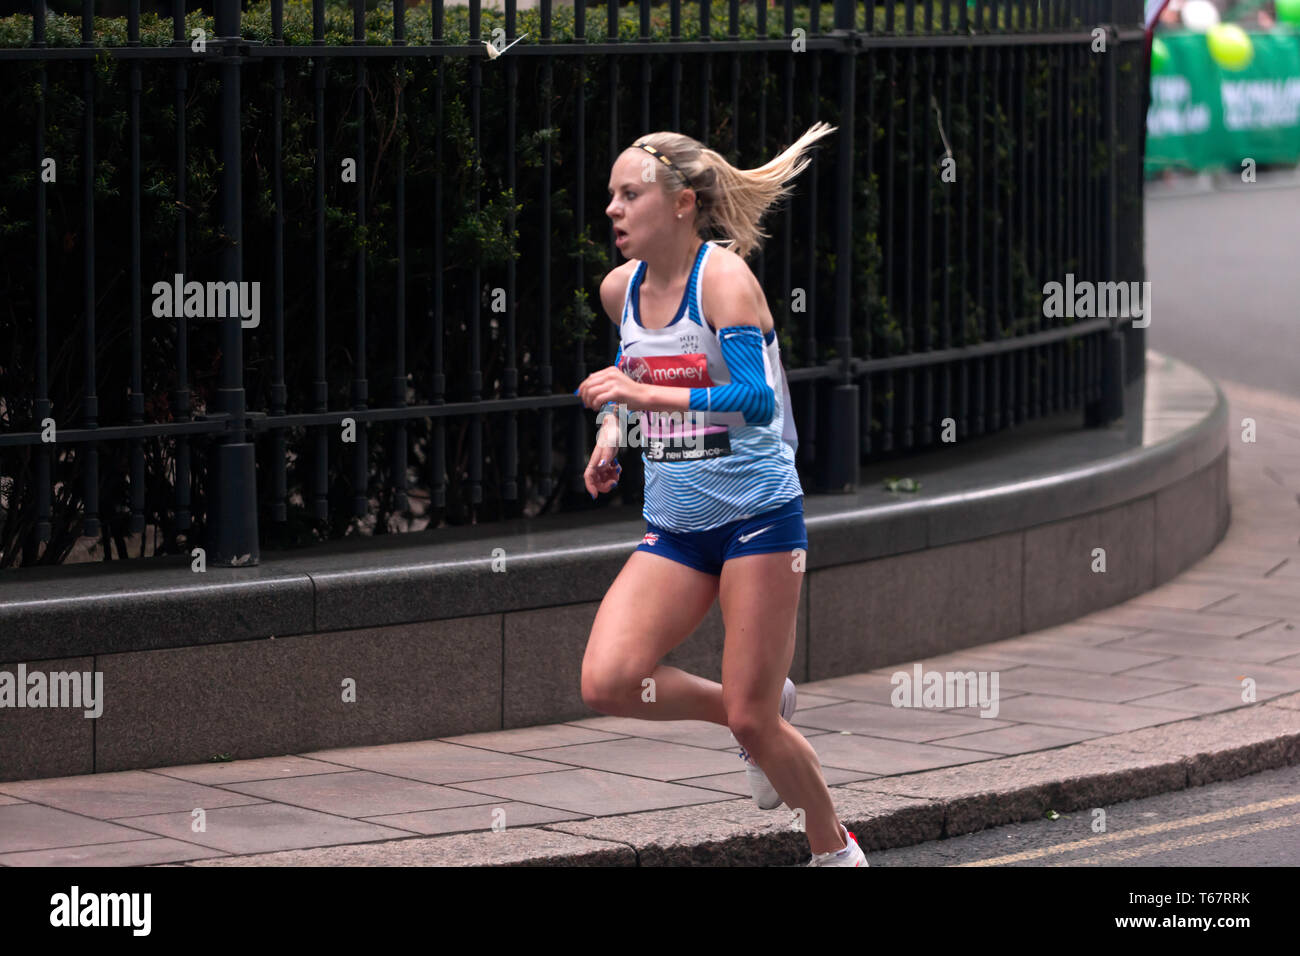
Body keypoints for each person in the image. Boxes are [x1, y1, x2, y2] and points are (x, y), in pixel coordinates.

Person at [576, 123, 866, 867]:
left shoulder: (724, 281)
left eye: (628, 194)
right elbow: (629, 374)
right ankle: (758, 713)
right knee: (608, 680)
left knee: (754, 720)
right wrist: (613, 435)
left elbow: (756, 402)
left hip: (758, 521)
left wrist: (642, 395)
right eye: (611, 194)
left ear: (681, 204)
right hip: (676, 525)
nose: (612, 208)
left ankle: (834, 848)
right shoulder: (623, 290)